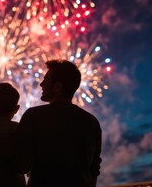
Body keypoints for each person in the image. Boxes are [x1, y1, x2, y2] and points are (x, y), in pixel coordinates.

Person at [15, 59, 102, 187]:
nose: (41, 84)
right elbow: (93, 170)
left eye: (46, 80)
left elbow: (22, 166)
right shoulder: (91, 122)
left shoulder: (33, 116)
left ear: (57, 87)